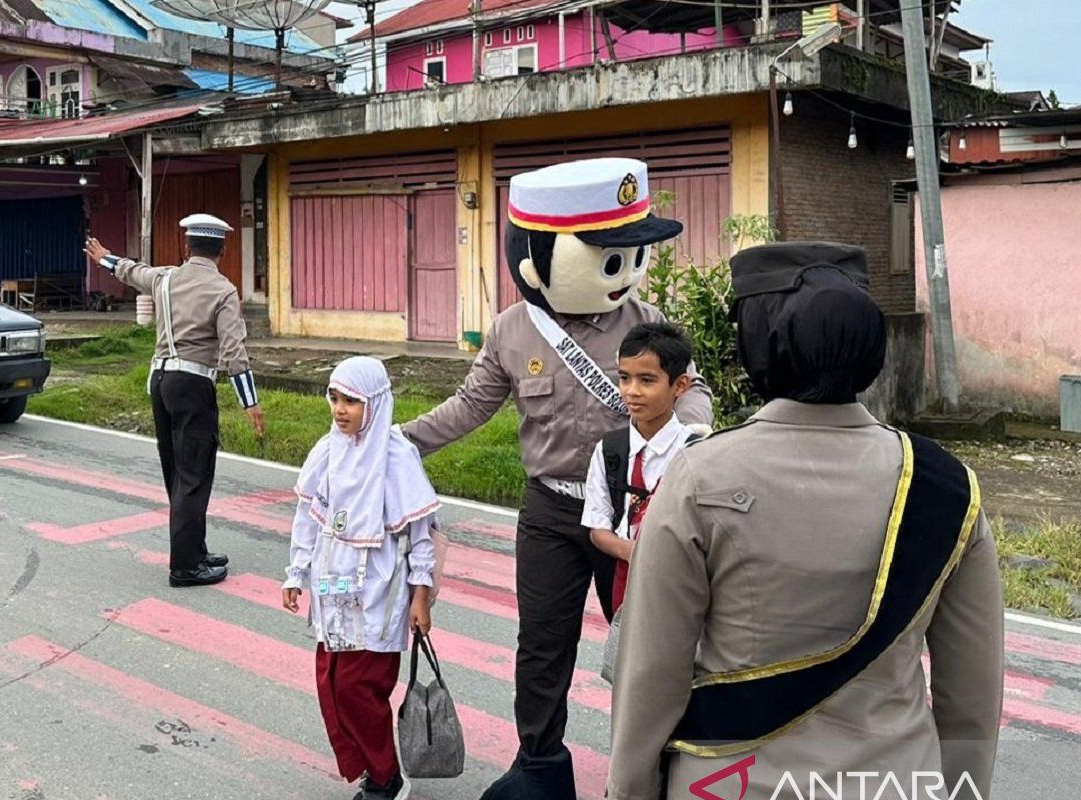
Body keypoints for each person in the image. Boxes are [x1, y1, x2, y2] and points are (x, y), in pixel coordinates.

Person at [607, 242, 1004, 800]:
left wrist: (629, 791)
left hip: (728, 785)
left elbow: (650, 678)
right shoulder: (946, 487)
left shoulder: (699, 476)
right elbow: (972, 702)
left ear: (759, 344)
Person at [402, 158, 713, 800]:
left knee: (647, 646)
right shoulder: (513, 331)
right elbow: (469, 405)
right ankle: (541, 767)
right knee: (542, 646)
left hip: (629, 514)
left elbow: (692, 390)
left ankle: (655, 768)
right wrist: (396, 442)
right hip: (549, 510)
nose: (623, 272)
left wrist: (694, 438)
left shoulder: (644, 321)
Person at [282, 356, 438, 800]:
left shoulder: (396, 457)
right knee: (331, 682)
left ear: (374, 402)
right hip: (333, 586)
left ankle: (387, 777)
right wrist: (296, 573)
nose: (340, 409)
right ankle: (372, 768)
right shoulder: (326, 451)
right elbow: (307, 518)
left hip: (380, 589)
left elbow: (420, 535)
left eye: (351, 400)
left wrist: (420, 597)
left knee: (358, 686)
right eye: (334, 398)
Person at [84, 215, 264, 588]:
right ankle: (185, 566)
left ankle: (194, 549)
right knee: (194, 474)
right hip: (193, 385)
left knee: (177, 473)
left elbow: (132, 272)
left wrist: (103, 257)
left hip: (160, 382)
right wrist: (250, 402)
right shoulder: (224, 291)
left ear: (187, 247)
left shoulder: (166, 278)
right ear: (222, 251)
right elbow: (234, 352)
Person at [581, 322, 694, 615]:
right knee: (621, 656)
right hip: (622, 583)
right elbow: (597, 527)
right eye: (624, 378)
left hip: (680, 588)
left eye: (647, 380)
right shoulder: (610, 450)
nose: (632, 391)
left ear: (679, 385)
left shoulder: (695, 452)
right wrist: (634, 553)